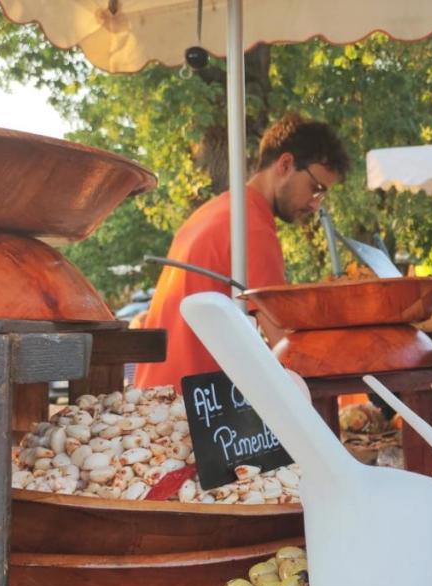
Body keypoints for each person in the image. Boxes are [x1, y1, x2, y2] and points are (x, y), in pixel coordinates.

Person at [134, 114, 350, 389]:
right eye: (316, 189)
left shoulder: (215, 210)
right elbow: (286, 345)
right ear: (285, 164)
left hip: (159, 394)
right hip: (193, 407)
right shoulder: (252, 227)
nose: (315, 204)